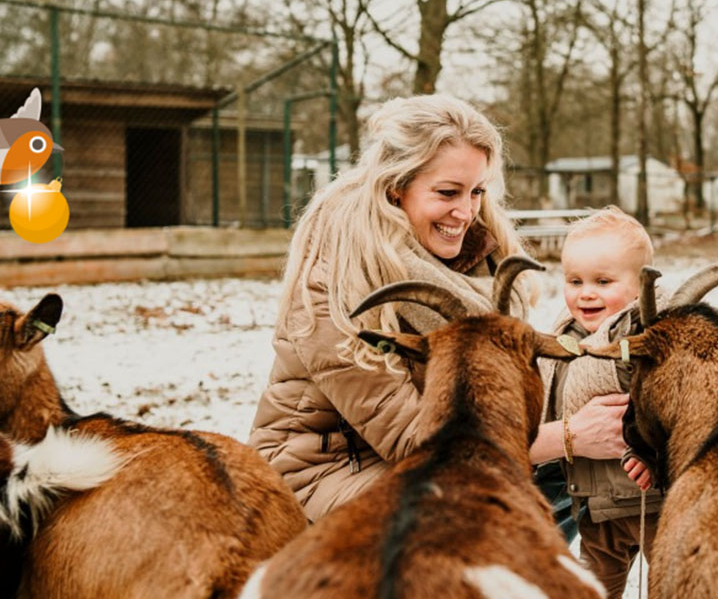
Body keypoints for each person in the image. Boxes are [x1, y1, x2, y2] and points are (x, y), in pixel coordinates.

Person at [248, 95, 619, 525]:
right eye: (447, 192)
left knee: (572, 476)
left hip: (417, 463)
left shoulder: (477, 263)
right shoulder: (336, 280)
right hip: (319, 474)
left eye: (476, 192)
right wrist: (570, 436)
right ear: (396, 187)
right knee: (475, 506)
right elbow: (415, 441)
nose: (465, 212)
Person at [536, 206, 661, 599]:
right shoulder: (561, 341)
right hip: (594, 511)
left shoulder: (647, 338)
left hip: (653, 503)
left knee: (670, 595)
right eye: (575, 281)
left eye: (603, 282)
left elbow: (673, 409)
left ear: (640, 287)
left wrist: (656, 454)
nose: (585, 293)